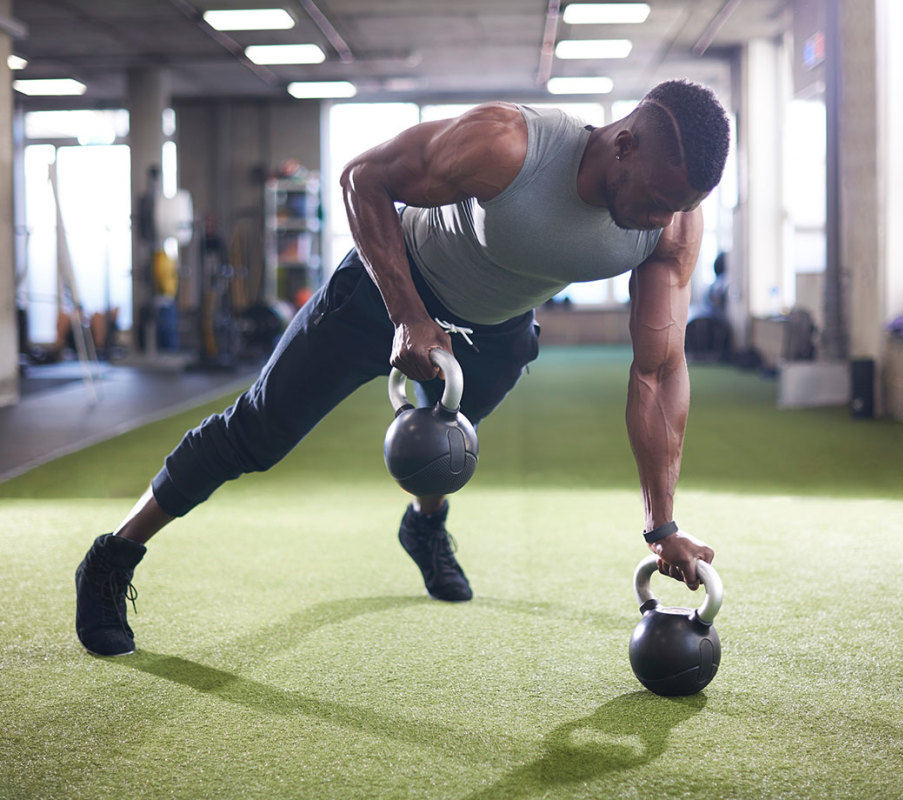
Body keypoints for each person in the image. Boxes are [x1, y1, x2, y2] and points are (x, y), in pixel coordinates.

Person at [75, 79, 730, 657]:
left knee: (447, 446)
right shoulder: (505, 145)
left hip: (496, 332)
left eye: (678, 206)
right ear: (623, 146)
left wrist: (661, 525)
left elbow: (656, 370)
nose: (661, 218)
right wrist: (407, 315)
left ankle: (423, 524)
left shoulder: (669, 225)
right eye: (657, 199)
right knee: (257, 432)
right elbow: (363, 179)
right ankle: (113, 556)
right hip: (381, 290)